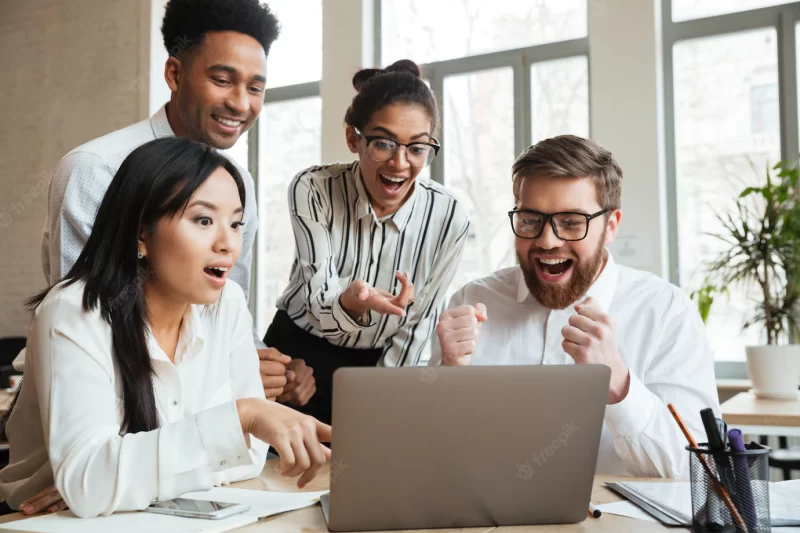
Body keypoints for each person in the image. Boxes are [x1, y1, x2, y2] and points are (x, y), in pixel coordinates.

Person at [0, 138, 330, 518]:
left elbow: (249, 458)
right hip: (40, 522)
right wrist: (240, 418)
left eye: (236, 223)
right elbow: (90, 484)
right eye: (203, 220)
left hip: (149, 517)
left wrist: (124, 481)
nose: (228, 244)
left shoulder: (229, 305)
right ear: (141, 233)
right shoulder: (74, 311)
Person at [30, 0, 293, 407]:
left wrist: (262, 363)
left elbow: (225, 305)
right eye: (223, 80)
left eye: (255, 88)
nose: (241, 104)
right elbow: (81, 323)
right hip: (109, 407)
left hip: (200, 413)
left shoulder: (238, 183)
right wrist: (226, 368)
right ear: (174, 73)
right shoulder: (95, 169)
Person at [431, 135, 719, 479]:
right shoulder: (472, 300)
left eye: (571, 222)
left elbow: (699, 471)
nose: (547, 240)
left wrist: (618, 384)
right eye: (529, 219)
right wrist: (448, 379)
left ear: (610, 227)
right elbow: (433, 459)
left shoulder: (667, 313)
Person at [264, 60, 470, 425]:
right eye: (383, 143)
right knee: (269, 474)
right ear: (353, 139)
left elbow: (417, 328)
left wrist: (385, 402)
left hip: (376, 367)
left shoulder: (449, 215)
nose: (399, 163)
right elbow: (318, 301)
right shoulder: (313, 188)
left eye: (417, 148)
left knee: (368, 475)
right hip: (295, 358)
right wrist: (352, 304)